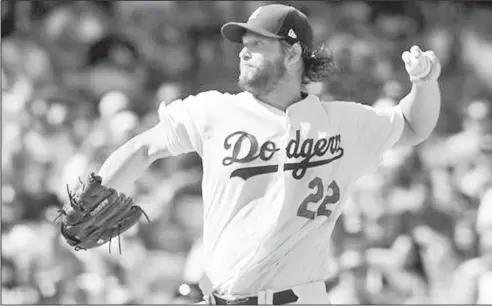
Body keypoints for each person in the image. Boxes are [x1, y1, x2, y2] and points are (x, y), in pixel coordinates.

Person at [93, 4, 441, 304]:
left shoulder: (341, 124)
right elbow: (142, 148)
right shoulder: (214, 111)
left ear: (292, 53)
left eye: (257, 44)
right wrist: (93, 195)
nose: (243, 52)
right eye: (243, 45)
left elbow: (412, 125)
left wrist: (424, 83)